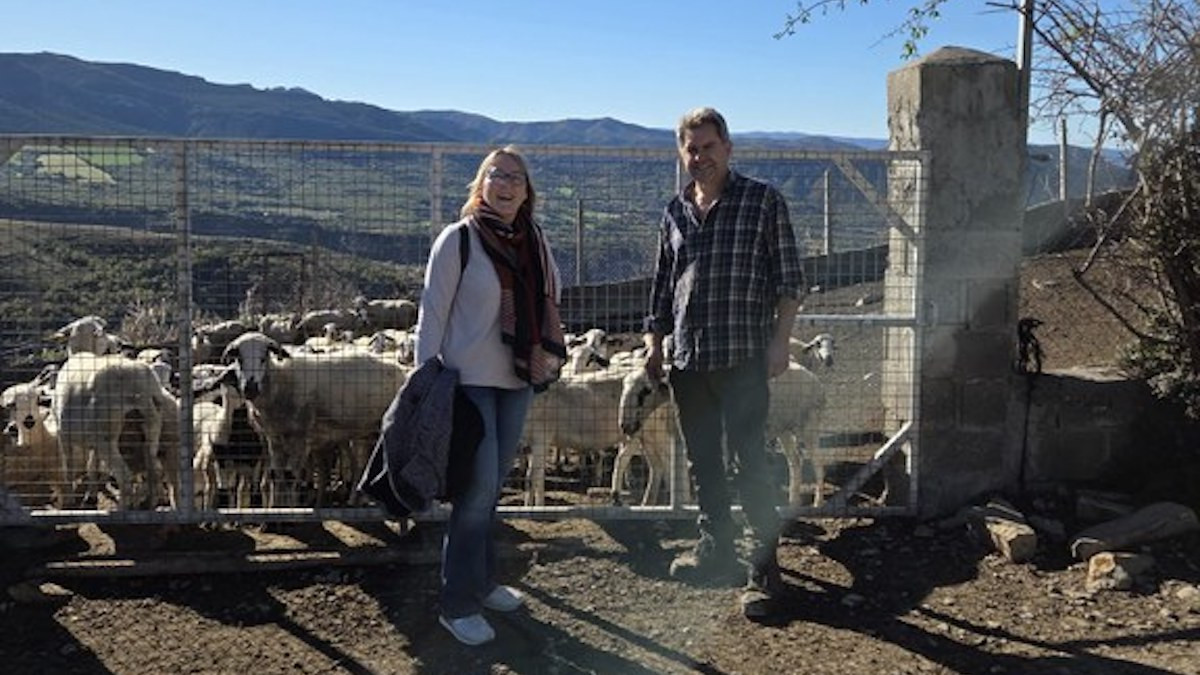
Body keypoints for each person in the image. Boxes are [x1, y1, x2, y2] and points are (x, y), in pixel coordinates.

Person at [642, 107, 805, 620]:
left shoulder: (762, 201)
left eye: (709, 147)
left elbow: (790, 280)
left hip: (742, 358)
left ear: (728, 148)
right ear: (680, 154)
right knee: (703, 462)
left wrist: (781, 342)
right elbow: (662, 287)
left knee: (751, 462)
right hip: (690, 361)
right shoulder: (674, 211)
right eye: (691, 149)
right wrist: (654, 343)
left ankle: (764, 569)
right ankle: (718, 551)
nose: (700, 157)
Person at [414, 146, 567, 646]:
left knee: (491, 488)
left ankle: (482, 582)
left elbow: (553, 295)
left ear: (527, 193)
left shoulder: (535, 241)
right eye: (495, 174)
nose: (505, 183)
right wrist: (423, 384)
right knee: (475, 492)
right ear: (480, 184)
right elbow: (432, 313)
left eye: (515, 178)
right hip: (467, 383)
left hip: (517, 381)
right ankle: (456, 603)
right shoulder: (458, 241)